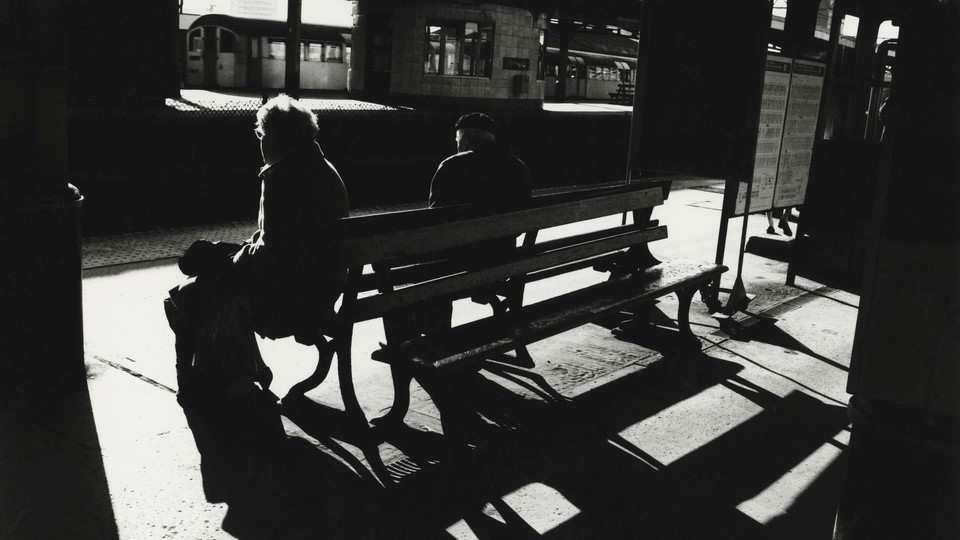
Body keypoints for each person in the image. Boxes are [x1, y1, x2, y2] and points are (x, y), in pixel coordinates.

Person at [164, 94, 349, 405]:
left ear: (274, 138)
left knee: (182, 298)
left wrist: (229, 257)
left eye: (261, 135)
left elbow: (273, 257)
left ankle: (203, 384)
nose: (260, 143)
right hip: (322, 289)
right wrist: (238, 251)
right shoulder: (324, 169)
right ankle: (244, 371)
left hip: (290, 299)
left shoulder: (282, 175)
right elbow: (287, 241)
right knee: (215, 278)